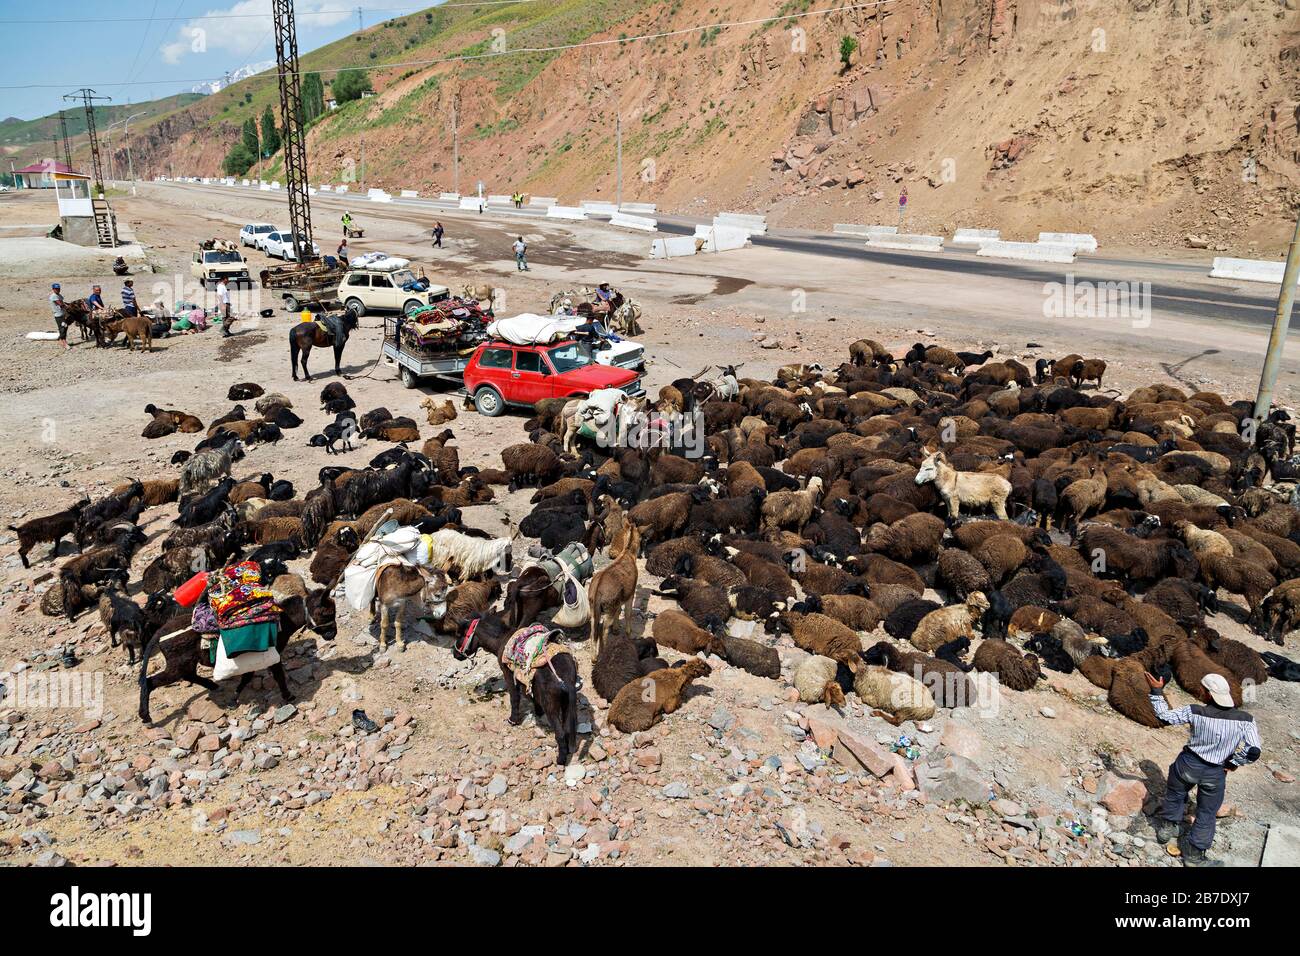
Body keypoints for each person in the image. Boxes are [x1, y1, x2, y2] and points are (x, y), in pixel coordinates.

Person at [1144, 670, 1263, 867]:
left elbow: (1164, 717)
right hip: (1215, 773)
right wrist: (1232, 763)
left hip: (1187, 764)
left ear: (1208, 694)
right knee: (1206, 813)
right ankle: (1193, 856)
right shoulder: (1246, 720)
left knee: (1175, 793)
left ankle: (1166, 829)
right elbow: (1253, 752)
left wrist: (1157, 691)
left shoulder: (1195, 711)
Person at [49, 282, 69, 350]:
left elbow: (63, 302)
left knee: (65, 327)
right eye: (56, 289)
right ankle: (63, 342)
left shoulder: (59, 295)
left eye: (58, 288)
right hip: (58, 315)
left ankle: (63, 341)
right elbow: (60, 304)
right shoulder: (53, 296)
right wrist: (68, 307)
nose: (58, 290)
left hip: (62, 314)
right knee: (62, 328)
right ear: (53, 289)